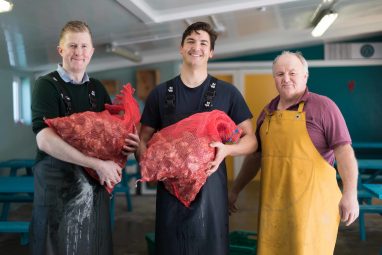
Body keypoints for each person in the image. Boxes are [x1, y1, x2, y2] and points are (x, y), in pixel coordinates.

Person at [138, 21, 257, 255]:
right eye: (190, 41)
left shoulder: (228, 93)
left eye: (204, 43)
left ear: (211, 52)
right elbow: (143, 138)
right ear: (181, 48)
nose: (197, 47)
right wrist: (148, 164)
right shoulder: (161, 93)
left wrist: (227, 150)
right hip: (170, 191)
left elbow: (251, 140)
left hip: (211, 190)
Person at [229, 51, 359, 255]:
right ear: (274, 79)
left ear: (305, 76)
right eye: (279, 74)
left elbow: (344, 151)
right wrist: (235, 190)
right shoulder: (267, 113)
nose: (286, 78)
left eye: (292, 73)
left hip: (313, 209)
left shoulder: (324, 107)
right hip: (274, 208)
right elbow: (255, 157)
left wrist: (350, 193)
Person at [30, 20, 139, 255]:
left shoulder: (97, 89)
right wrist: (97, 164)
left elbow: (109, 134)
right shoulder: (46, 85)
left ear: (91, 51)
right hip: (57, 184)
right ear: (61, 50)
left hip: (93, 186)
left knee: (93, 245)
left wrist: (128, 144)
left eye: (83, 46)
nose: (78, 52)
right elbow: (44, 140)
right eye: (72, 46)